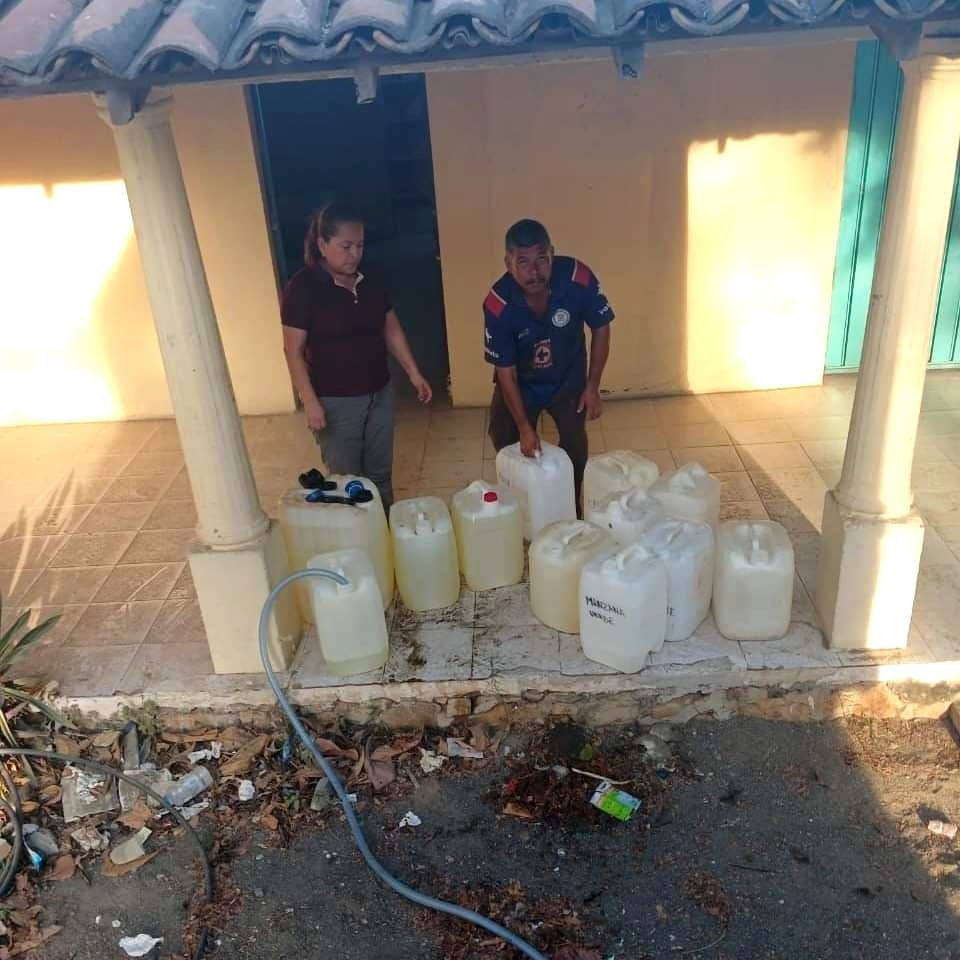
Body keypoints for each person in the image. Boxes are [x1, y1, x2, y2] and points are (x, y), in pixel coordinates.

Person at [281, 202, 432, 509]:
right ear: (323, 245)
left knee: (380, 476)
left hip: (379, 392)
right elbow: (292, 350)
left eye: (360, 245)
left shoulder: (371, 278)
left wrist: (414, 373)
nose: (354, 255)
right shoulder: (304, 287)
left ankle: (387, 534)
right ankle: (358, 547)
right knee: (348, 481)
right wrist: (310, 401)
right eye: (345, 246)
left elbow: (391, 329)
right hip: (335, 401)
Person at [484, 219, 613, 509]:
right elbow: (505, 374)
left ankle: (570, 504)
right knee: (506, 439)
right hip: (521, 381)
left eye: (542, 259)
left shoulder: (577, 278)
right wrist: (524, 427)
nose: (535, 271)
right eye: (524, 262)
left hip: (566, 377)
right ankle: (522, 505)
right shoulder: (498, 304)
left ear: (552, 254)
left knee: (575, 446)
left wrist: (593, 385)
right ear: (508, 263)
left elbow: (602, 326)